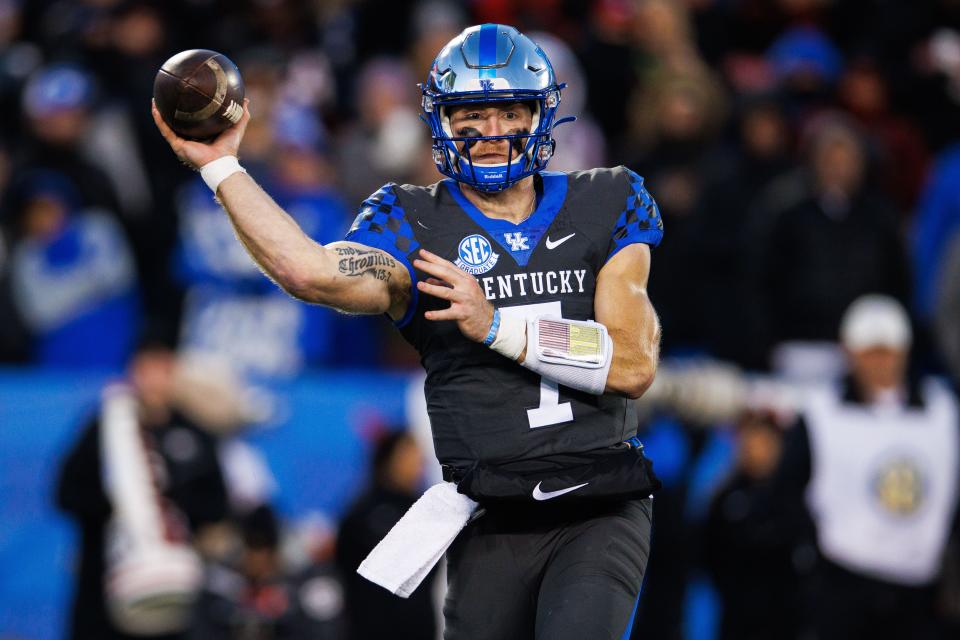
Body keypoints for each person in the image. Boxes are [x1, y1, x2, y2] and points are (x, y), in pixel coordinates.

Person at [152, 24, 662, 640]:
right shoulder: (410, 218)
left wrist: (495, 325)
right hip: (492, 511)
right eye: (472, 112)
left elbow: (631, 364)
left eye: (509, 110)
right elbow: (310, 272)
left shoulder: (607, 199)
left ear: (541, 114)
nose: (493, 131)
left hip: (598, 501)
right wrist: (222, 168)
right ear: (442, 121)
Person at [766, 295, 960, 639]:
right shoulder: (821, 412)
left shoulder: (943, 412)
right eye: (870, 352)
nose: (880, 363)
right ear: (850, 354)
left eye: (888, 352)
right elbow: (787, 493)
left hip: (918, 592)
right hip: (842, 585)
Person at [336, 431, 437, 640]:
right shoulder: (364, 512)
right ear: (389, 459)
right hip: (373, 628)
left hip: (418, 628)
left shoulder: (426, 510)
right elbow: (346, 566)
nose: (418, 462)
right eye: (409, 454)